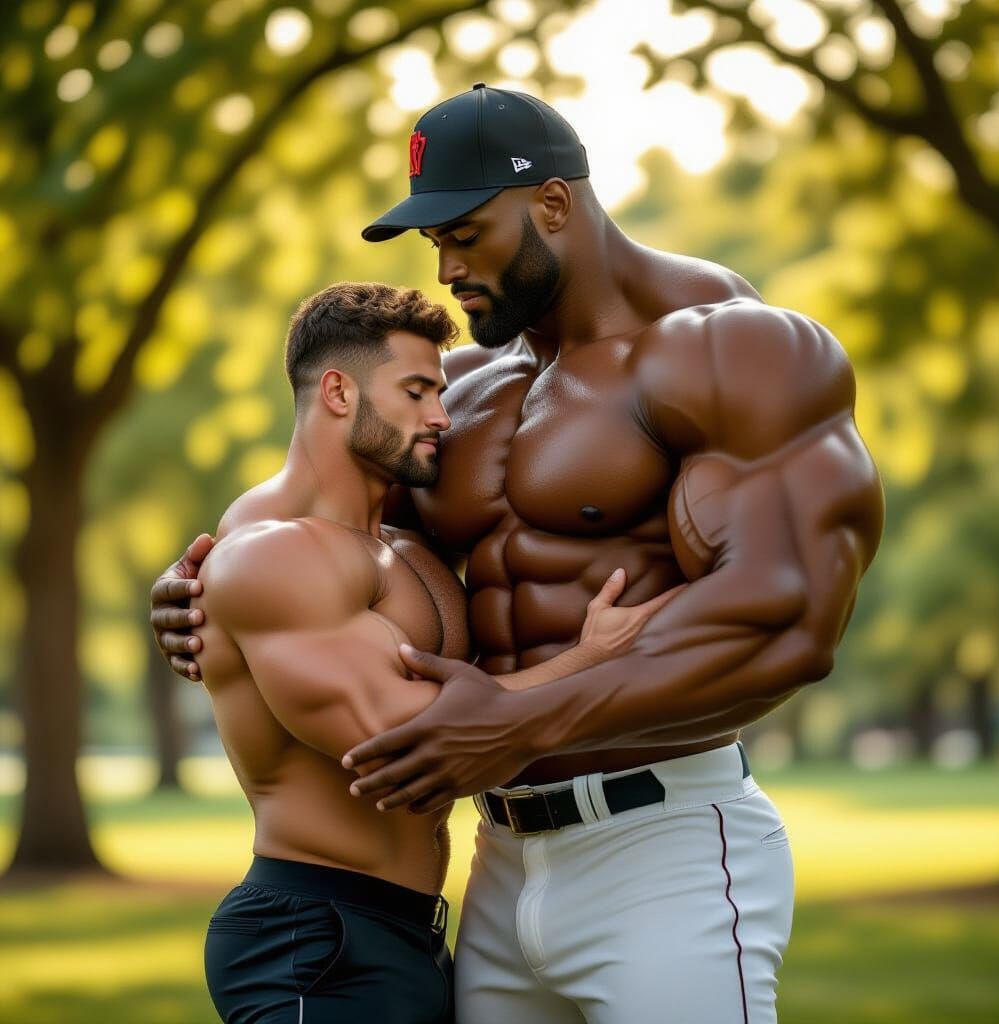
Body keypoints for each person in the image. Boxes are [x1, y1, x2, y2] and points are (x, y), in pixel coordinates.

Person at [153, 86, 884, 1023]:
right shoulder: (454, 390)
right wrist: (195, 578)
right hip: (493, 870)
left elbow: (785, 617)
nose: (449, 268)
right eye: (435, 245)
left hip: (662, 848)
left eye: (467, 233)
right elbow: (319, 535)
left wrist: (519, 723)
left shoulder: (731, 352)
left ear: (551, 204)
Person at [188, 281, 672, 1024]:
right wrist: (589, 657)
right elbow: (408, 748)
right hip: (315, 938)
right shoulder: (270, 553)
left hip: (416, 933)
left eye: (439, 392)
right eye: (416, 392)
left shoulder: (406, 551)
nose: (442, 416)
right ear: (340, 392)